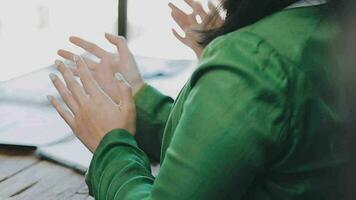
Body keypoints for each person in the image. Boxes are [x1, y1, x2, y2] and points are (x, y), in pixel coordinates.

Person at [47, 0, 349, 199]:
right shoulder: (332, 24)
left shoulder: (253, 57)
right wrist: (137, 94)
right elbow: (219, 146)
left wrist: (110, 144)